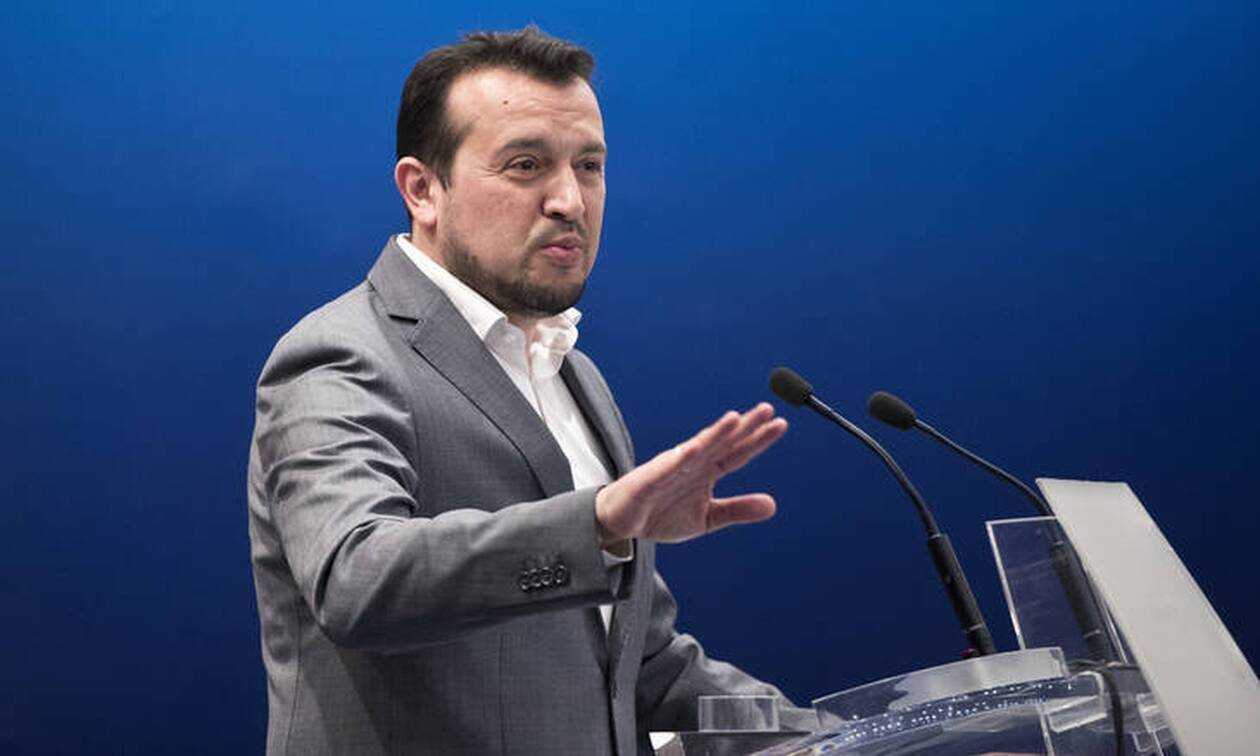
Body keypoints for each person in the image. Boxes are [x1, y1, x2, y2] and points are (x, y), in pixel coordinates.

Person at [247, 26, 814, 755]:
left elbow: (641, 668)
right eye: (526, 166)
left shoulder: (574, 374)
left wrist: (853, 741)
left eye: (590, 166)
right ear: (423, 190)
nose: (570, 200)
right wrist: (596, 525)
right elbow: (355, 580)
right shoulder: (341, 354)